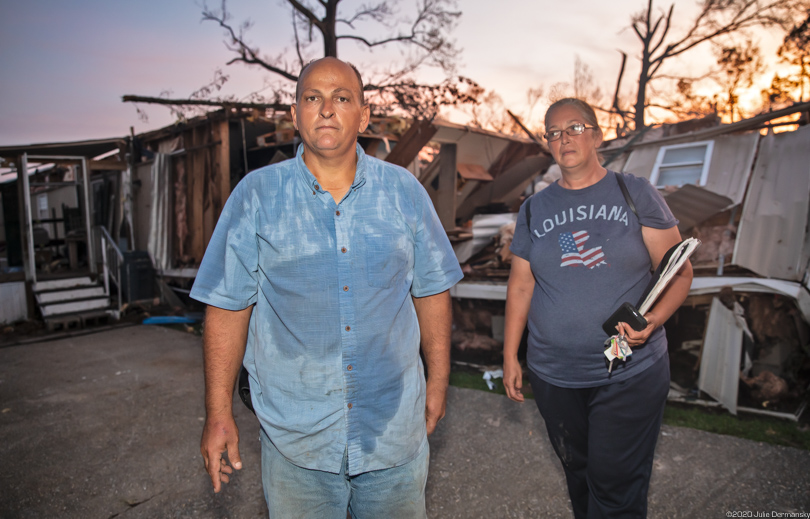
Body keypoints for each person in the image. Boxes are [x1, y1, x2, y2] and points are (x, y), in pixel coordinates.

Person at [190, 56, 463, 518]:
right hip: (296, 443)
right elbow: (227, 308)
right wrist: (218, 413)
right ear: (295, 113)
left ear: (364, 114)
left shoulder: (405, 192)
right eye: (312, 98)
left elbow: (431, 290)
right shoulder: (255, 196)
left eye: (342, 98)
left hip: (393, 434)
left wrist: (438, 381)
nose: (327, 109)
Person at [502, 98, 693, 518]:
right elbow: (521, 285)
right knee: (579, 472)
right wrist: (510, 354)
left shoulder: (634, 191)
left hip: (629, 371)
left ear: (596, 134)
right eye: (553, 132)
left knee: (615, 482)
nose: (564, 138)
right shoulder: (534, 209)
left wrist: (655, 321)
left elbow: (679, 271)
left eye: (574, 127)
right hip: (554, 373)